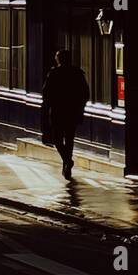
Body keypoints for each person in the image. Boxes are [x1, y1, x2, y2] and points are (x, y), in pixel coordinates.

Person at [42, 48, 90, 178]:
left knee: (57, 139)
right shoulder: (77, 73)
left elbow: (46, 92)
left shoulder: (54, 73)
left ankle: (67, 161)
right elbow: (85, 93)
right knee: (69, 139)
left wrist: (50, 104)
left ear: (59, 59)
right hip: (73, 112)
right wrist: (79, 106)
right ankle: (67, 162)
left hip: (58, 111)